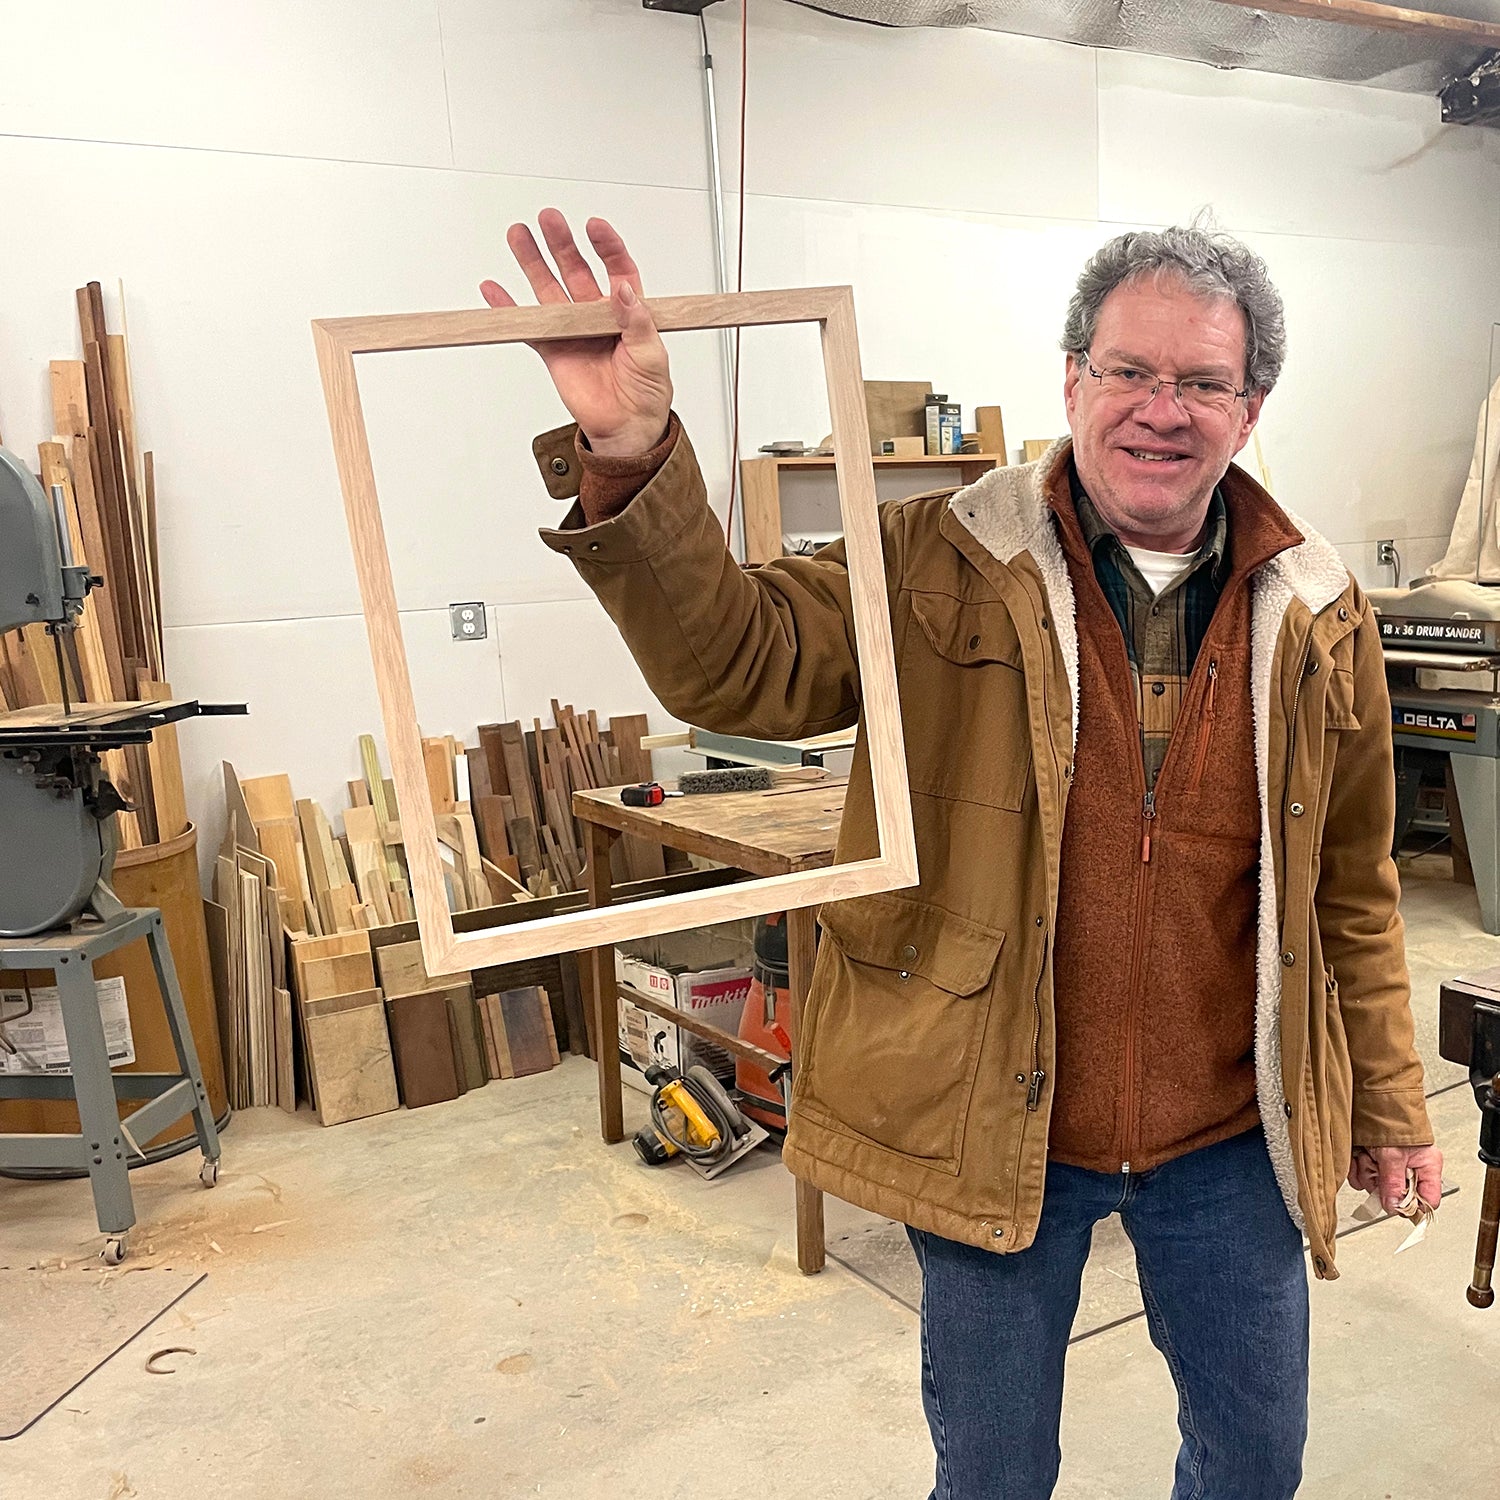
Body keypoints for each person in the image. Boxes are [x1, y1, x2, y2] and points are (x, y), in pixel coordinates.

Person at [483, 211, 1442, 1500]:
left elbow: (1353, 893)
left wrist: (1385, 1104)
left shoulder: (1317, 611)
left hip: (1231, 1139)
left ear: (1250, 406)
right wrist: (630, 447)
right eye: (1130, 372)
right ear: (1071, 380)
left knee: (1255, 1461)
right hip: (995, 1126)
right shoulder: (938, 560)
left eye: (1203, 382)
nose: (1164, 409)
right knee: (990, 1475)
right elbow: (735, 659)